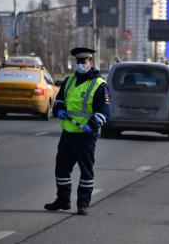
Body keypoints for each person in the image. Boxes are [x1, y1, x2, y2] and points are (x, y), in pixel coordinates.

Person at [44, 47, 110, 215]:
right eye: (79, 62)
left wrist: (92, 125)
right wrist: (58, 110)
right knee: (61, 169)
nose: (81, 64)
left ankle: (83, 204)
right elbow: (59, 101)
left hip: (86, 135)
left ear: (91, 62)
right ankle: (63, 200)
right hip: (68, 133)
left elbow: (104, 112)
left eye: (84, 61)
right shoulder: (69, 81)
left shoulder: (99, 85)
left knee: (86, 170)